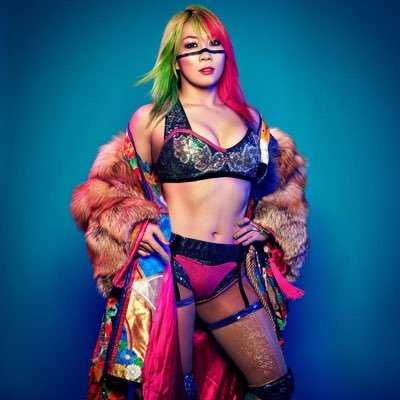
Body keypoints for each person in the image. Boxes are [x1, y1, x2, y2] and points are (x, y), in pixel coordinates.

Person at [70, 5, 309, 400]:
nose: (205, 55)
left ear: (226, 54)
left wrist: (266, 228)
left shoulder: (251, 120)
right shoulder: (152, 119)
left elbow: (283, 188)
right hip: (173, 266)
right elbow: (108, 190)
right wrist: (135, 226)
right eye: (193, 47)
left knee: (275, 386)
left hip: (230, 269)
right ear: (175, 60)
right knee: (173, 391)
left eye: (214, 45)